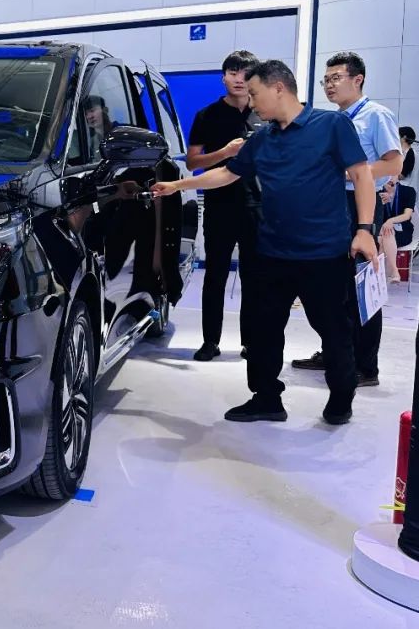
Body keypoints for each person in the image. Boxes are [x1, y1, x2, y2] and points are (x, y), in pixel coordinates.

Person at [152, 60, 377, 426]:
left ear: (278, 88)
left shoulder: (331, 125)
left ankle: (341, 398)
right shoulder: (262, 139)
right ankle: (266, 398)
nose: (252, 102)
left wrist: (364, 228)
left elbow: (361, 175)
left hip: (324, 254)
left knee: (334, 331)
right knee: (262, 331)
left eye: (255, 94)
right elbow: (227, 174)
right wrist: (177, 185)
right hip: (272, 252)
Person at [292, 52, 402, 386]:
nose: (329, 85)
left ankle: (366, 366)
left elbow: (393, 164)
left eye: (336, 78)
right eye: (325, 80)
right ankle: (335, 352)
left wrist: (350, 172)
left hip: (360, 205)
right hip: (332, 205)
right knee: (331, 286)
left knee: (361, 287)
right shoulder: (333, 120)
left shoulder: (375, 115)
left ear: (358, 79)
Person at [185, 50, 261, 363]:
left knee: (254, 277)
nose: (239, 79)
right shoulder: (207, 115)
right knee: (215, 275)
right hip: (219, 205)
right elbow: (192, 162)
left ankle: (252, 342)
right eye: (232, 72)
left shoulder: (264, 113)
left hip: (258, 206)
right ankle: (210, 341)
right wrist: (224, 153)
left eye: (245, 73)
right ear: (223, 77)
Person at [381, 177, 416, 282]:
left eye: (393, 174)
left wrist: (390, 221)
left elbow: (407, 215)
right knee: (385, 234)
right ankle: (393, 271)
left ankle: (380, 276)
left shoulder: (408, 191)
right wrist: (379, 203)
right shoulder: (377, 192)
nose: (390, 177)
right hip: (381, 230)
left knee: (384, 237)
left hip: (403, 231)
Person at [83, 95, 113, 160]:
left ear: (105, 110)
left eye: (92, 111)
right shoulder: (90, 142)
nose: (89, 116)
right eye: (85, 114)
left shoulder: (120, 131)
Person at [400, 126, 417, 193]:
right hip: (407, 189)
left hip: (405, 189)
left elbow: (402, 176)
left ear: (404, 137)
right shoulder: (408, 153)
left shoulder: (410, 153)